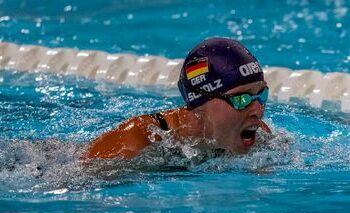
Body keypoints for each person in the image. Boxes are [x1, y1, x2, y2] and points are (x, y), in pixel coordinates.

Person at [83, 37, 271, 161]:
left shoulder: (256, 135)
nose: (258, 110)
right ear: (200, 102)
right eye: (241, 99)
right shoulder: (135, 143)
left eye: (261, 95)